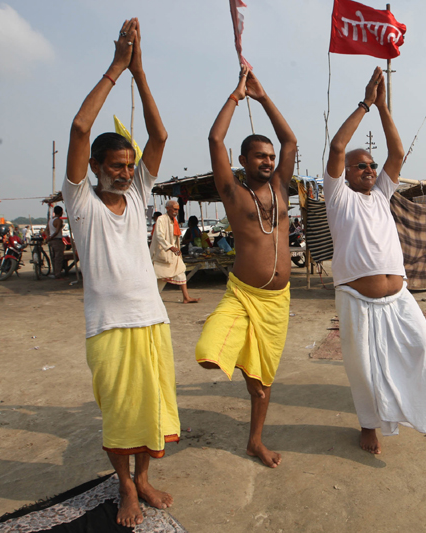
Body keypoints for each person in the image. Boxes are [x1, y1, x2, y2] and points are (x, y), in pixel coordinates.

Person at [62, 18, 179, 528]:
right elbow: (80, 129)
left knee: (151, 410)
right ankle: (125, 486)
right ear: (96, 166)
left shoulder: (137, 197)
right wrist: (116, 66)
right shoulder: (80, 201)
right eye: (116, 164)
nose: (126, 172)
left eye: (131, 166)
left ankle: (144, 478)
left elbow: (160, 133)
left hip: (151, 319)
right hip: (106, 327)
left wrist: (141, 71)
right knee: (119, 413)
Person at [324, 67, 426, 454]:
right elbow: (338, 149)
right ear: (347, 175)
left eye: (372, 166)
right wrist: (365, 105)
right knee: (365, 371)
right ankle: (368, 425)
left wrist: (385, 108)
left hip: (398, 295)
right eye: (362, 167)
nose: (370, 170)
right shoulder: (338, 198)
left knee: (423, 346)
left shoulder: (383, 193)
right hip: (357, 299)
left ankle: (413, 412)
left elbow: (397, 154)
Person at [195, 65, 296, 468]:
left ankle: (255, 441)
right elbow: (214, 138)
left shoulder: (282, 187)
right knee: (208, 350)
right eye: (260, 155)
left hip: (278, 303)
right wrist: (238, 95)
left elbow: (290, 139)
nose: (269, 160)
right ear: (244, 160)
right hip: (243, 295)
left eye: (271, 156)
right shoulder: (232, 194)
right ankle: (236, 354)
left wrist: (263, 95)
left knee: (261, 384)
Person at [150, 200, 199, 303]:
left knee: (181, 271)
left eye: (177, 210)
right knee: (160, 277)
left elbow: (175, 237)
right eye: (175, 209)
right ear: (168, 208)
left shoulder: (174, 221)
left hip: (173, 254)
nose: (176, 212)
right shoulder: (161, 219)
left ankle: (186, 297)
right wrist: (170, 247)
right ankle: (152, 299)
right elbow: (159, 236)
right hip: (163, 254)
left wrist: (177, 249)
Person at [46, 205, 65, 279]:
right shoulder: (58, 220)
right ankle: (57, 274)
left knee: (53, 257)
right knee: (58, 258)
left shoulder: (50, 220)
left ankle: (55, 272)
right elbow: (57, 231)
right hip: (57, 240)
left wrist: (48, 237)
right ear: (61, 212)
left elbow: (46, 230)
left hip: (52, 241)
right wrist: (51, 237)